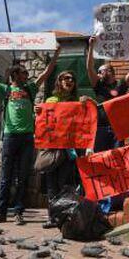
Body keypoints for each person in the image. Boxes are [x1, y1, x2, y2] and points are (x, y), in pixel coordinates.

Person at [0, 42, 61, 225]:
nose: (27, 75)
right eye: (24, 72)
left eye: (27, 73)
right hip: (9, 137)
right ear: (16, 74)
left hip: (27, 137)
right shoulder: (6, 89)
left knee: (22, 176)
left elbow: (46, 72)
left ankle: (19, 212)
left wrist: (56, 53)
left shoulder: (30, 89)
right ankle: (1, 211)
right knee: (6, 176)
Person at [34, 71, 94, 228]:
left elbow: (93, 112)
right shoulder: (51, 100)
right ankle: (52, 217)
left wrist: (89, 101)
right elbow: (44, 122)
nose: (70, 81)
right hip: (53, 149)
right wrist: (39, 112)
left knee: (65, 184)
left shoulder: (78, 101)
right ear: (58, 82)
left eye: (72, 79)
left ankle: (63, 216)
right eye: (66, 78)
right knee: (52, 184)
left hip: (69, 150)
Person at [87, 36, 129, 152]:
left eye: (100, 71)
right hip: (100, 128)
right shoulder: (98, 85)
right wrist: (91, 47)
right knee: (101, 157)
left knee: (117, 157)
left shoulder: (121, 84)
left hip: (117, 128)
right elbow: (89, 68)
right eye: (98, 72)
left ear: (109, 71)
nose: (98, 74)